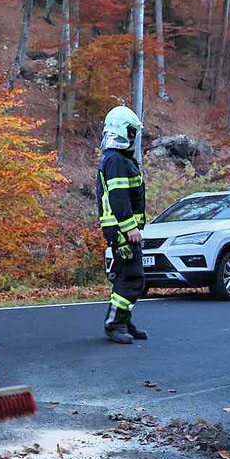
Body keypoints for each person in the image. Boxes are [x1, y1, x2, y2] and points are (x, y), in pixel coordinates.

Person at [96, 105, 148, 344]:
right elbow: (118, 198)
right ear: (122, 131)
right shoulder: (116, 160)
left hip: (121, 230)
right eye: (132, 132)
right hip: (121, 231)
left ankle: (123, 319)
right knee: (132, 278)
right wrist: (129, 228)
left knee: (127, 277)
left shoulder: (118, 159)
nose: (134, 137)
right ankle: (115, 324)